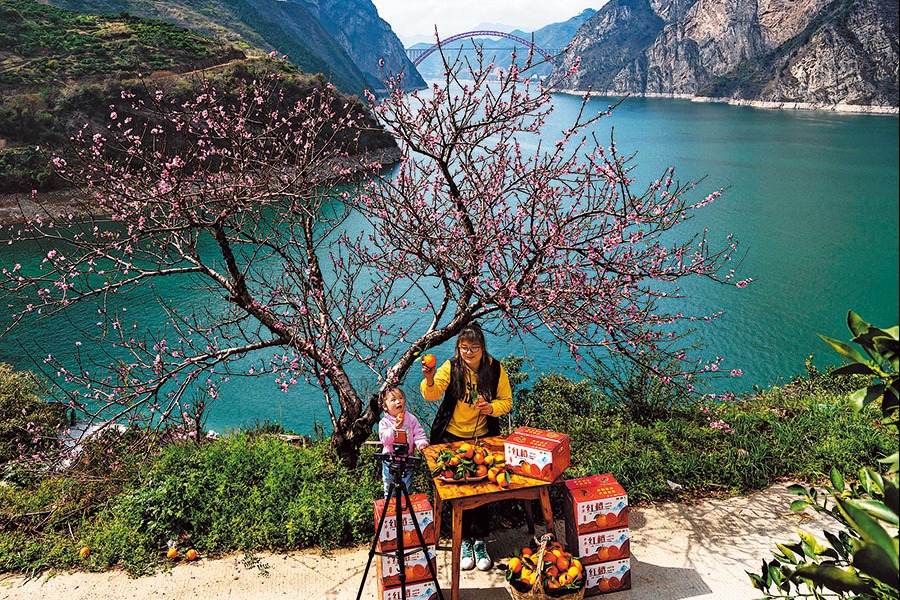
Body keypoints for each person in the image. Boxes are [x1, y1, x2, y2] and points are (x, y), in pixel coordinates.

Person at [420, 322, 512, 572]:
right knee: (459, 490)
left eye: (474, 347)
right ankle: (463, 542)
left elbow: (507, 401)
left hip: (482, 438)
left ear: (482, 347)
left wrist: (491, 408)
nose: (469, 352)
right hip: (451, 438)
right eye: (464, 348)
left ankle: (479, 541)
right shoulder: (451, 367)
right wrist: (429, 378)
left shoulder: (494, 369)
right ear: (458, 348)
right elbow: (432, 394)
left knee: (481, 489)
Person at [378, 386, 429, 499]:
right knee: (389, 488)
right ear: (385, 406)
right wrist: (394, 428)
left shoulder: (411, 419)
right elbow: (384, 439)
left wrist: (421, 443)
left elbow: (419, 434)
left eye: (400, 398)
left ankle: (405, 505)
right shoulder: (384, 422)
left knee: (406, 488)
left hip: (407, 460)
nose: (398, 402)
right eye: (393, 400)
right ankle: (390, 506)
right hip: (389, 460)